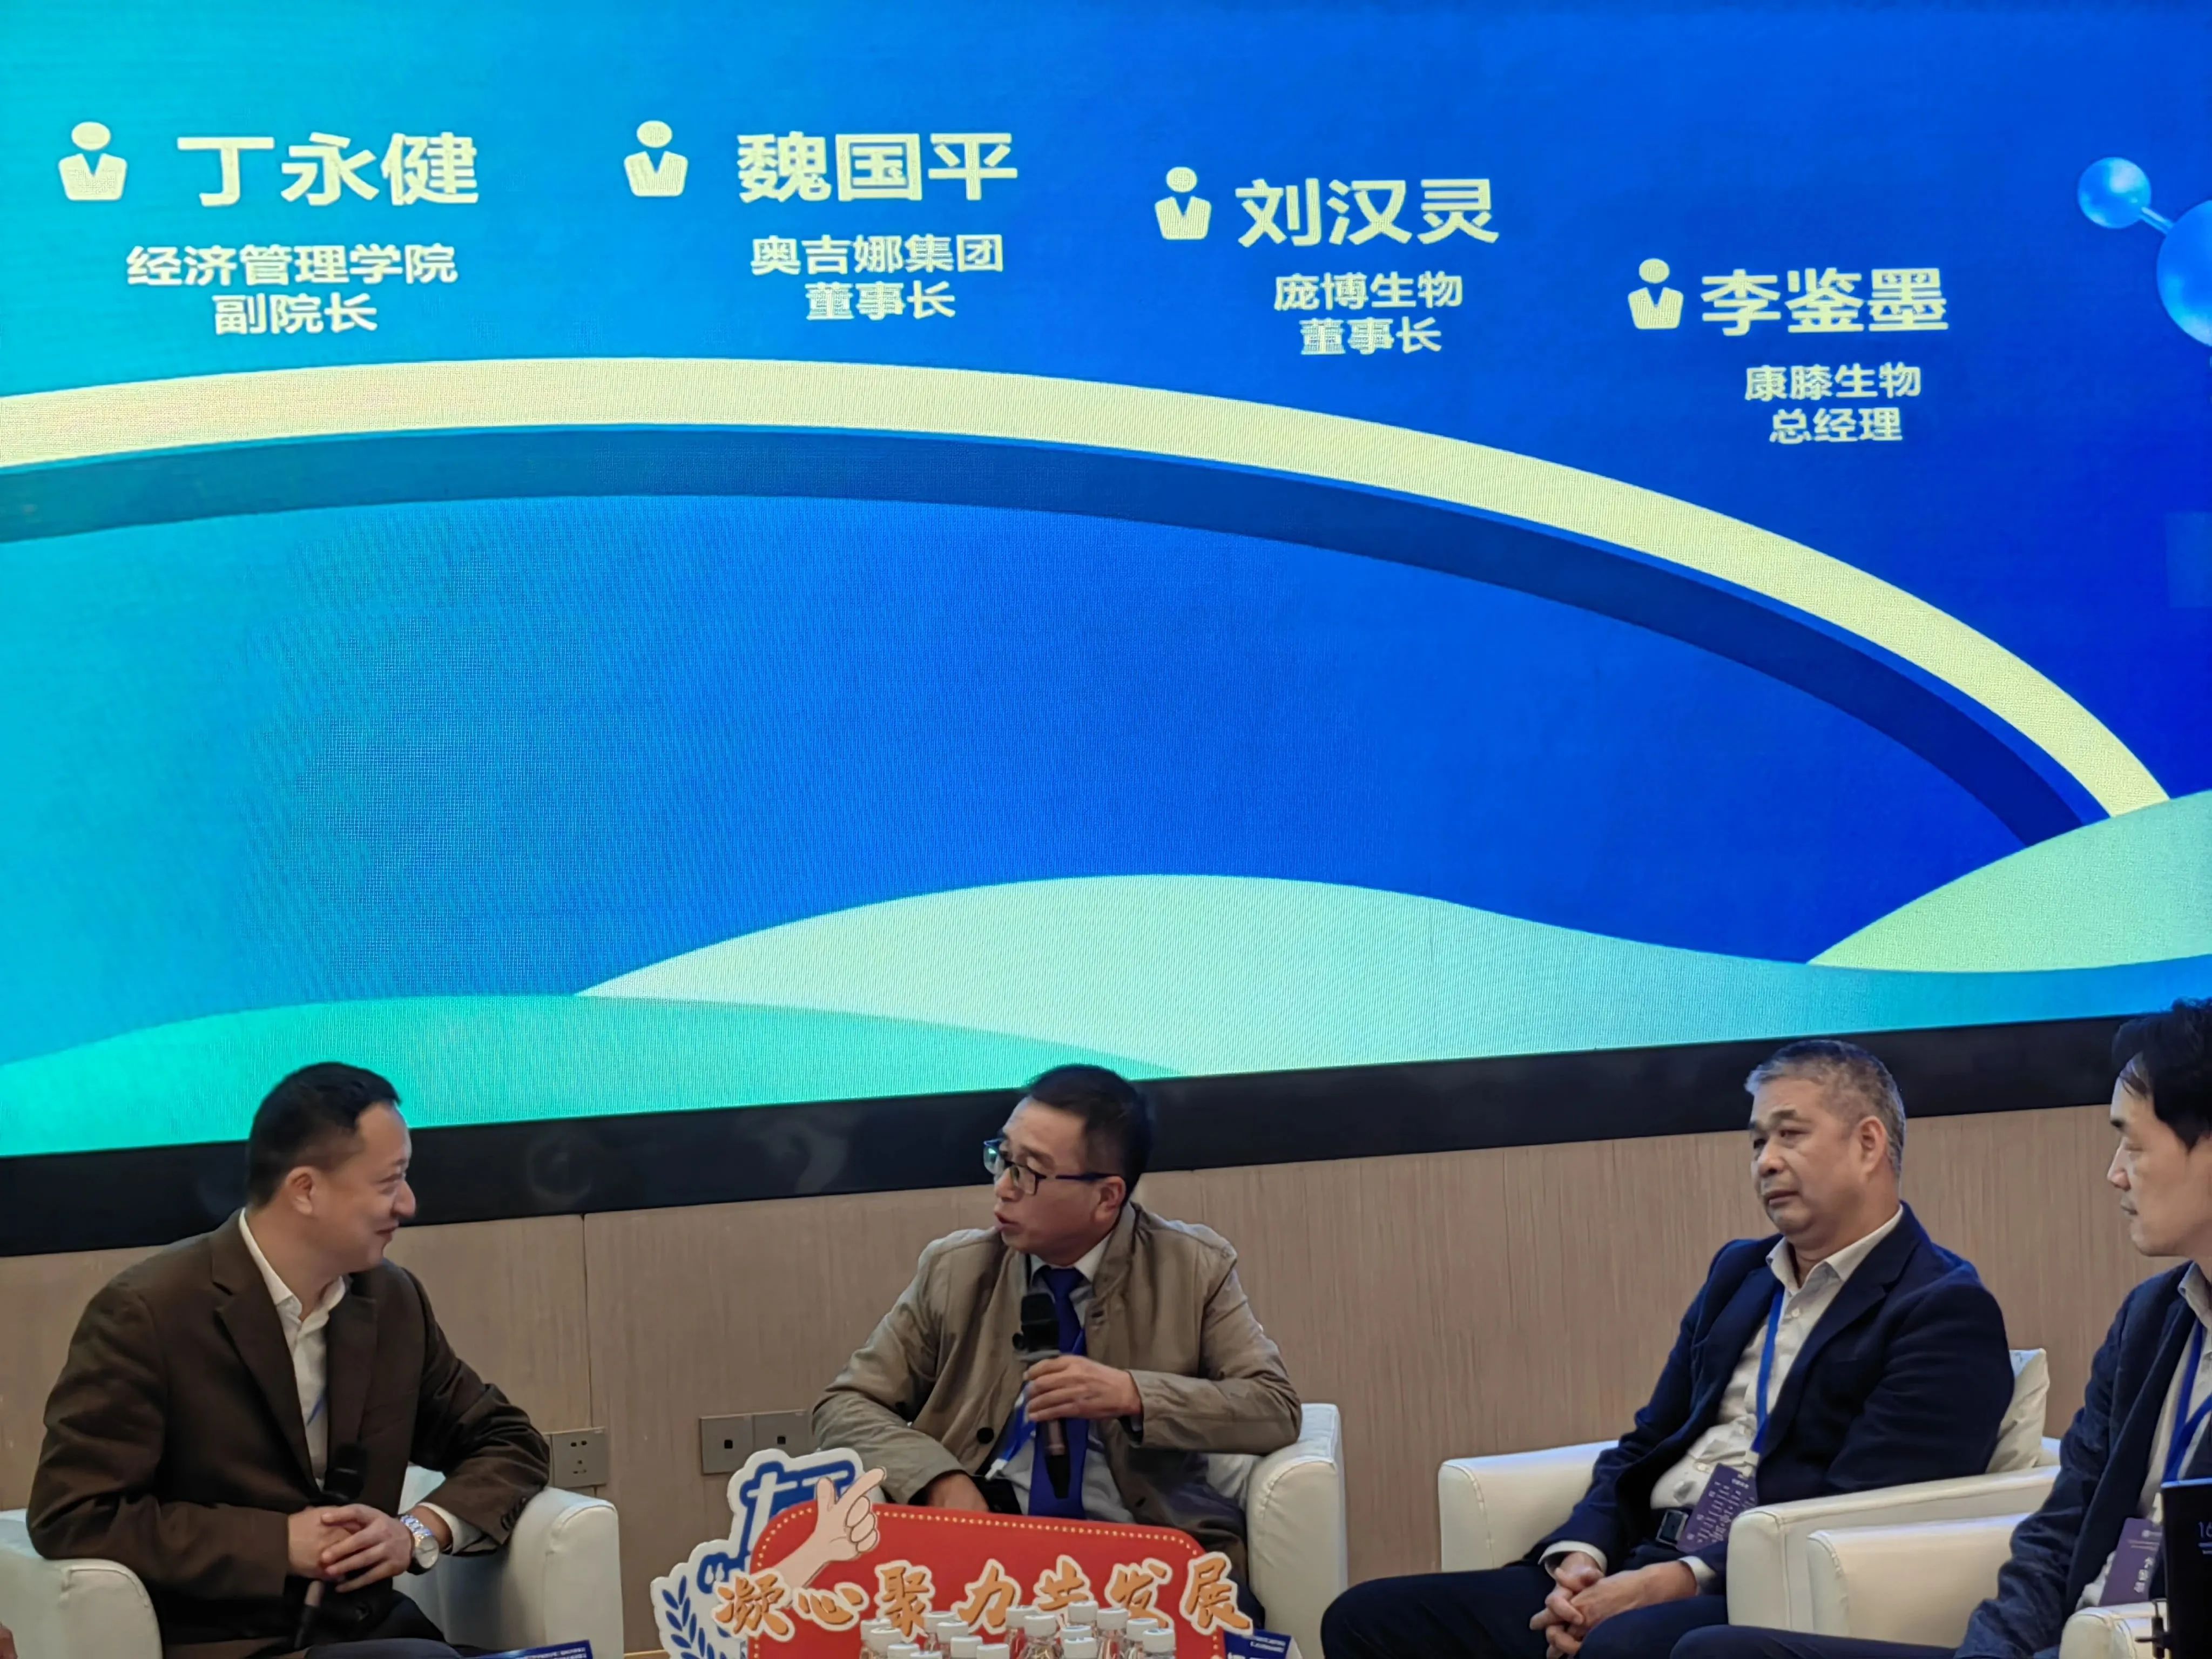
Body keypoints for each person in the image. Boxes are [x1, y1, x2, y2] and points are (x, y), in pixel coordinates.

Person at [1323, 1039, 2016, 1659]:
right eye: (1756, 1142)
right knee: (1368, 1620)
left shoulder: (1942, 1309)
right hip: (1641, 1551)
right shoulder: (1739, 1274)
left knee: (1620, 1646)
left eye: (1789, 1134)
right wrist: (1583, 1556)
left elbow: (1860, 1513)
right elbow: (1648, 1441)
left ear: (1867, 1145)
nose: (1766, 1162)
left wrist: (1674, 1580)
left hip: (1754, 1593)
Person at [1674, 1000, 2212, 1659]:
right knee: (1721, 1653)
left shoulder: (1938, 1305)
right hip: (2064, 1645)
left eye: (2134, 1144)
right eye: (1759, 1141)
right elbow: (2058, 1534)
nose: (2115, 1173)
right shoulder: (2151, 1320)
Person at [29, 1063, 549, 1659]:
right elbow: (74, 1515)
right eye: (389, 1182)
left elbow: (509, 1441)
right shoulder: (149, 1312)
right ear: (305, 1190)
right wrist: (277, 1543)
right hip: (233, 1643)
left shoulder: (392, 1300)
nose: (408, 1204)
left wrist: (418, 1530)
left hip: (374, 1633)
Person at [815, 1064, 1300, 1590]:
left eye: (1029, 1172)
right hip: (984, 1558)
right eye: (1002, 1159)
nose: (1003, 1188)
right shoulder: (955, 1271)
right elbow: (845, 1406)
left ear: (1106, 1197)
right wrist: (939, 1480)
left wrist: (1134, 1395)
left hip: (1144, 1562)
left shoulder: (1193, 1267)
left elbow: (1274, 1408)